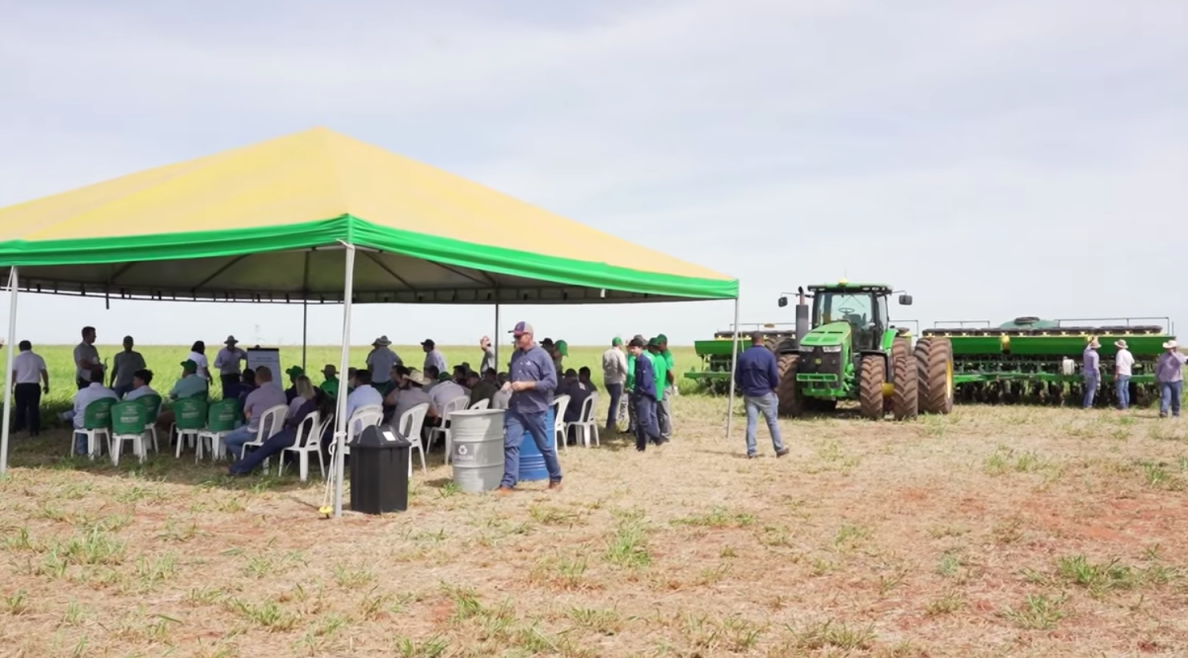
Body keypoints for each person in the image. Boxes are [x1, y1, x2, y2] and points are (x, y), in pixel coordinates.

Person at [496, 321, 563, 494]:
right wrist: (508, 383)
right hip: (516, 408)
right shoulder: (515, 355)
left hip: (535, 408)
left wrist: (527, 385)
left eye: (519, 336)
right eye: (515, 336)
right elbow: (512, 377)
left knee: (544, 446)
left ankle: (556, 479)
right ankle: (507, 483)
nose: (516, 338)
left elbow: (551, 382)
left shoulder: (542, 356)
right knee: (510, 445)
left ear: (529, 336)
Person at [229, 380, 326, 476]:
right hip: (310, 438)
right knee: (271, 446)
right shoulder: (320, 407)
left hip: (295, 435)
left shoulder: (306, 404)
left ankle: (237, 468)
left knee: (266, 448)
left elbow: (295, 421)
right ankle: (288, 463)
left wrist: (288, 420)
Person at [735, 331, 789, 458]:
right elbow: (774, 376)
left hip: (750, 395)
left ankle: (751, 451)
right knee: (772, 422)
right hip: (766, 394)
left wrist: (744, 387)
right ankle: (779, 449)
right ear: (762, 340)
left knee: (751, 423)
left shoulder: (743, 356)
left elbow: (737, 377)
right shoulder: (769, 356)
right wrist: (774, 387)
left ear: (751, 341)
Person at [223, 366, 288, 458]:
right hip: (275, 432)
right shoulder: (282, 394)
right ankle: (256, 454)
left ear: (257, 379)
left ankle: (251, 458)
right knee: (240, 428)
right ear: (271, 377)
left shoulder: (254, 395)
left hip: (255, 433)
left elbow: (246, 413)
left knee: (228, 439)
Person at [628, 337, 664, 451]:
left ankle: (657, 438)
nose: (632, 350)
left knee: (644, 420)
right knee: (639, 421)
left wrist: (639, 392)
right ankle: (641, 445)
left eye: (634, 348)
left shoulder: (643, 361)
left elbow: (646, 380)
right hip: (642, 393)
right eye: (631, 348)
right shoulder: (638, 360)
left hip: (645, 394)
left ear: (640, 348)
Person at [71, 366, 117, 455]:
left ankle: (82, 449)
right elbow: (117, 406)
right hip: (103, 421)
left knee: (78, 417)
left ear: (90, 378)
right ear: (102, 379)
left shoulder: (82, 392)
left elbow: (76, 409)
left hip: (84, 422)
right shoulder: (110, 393)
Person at [11, 340, 49, 437]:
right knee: (34, 408)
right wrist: (46, 385)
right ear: (30, 347)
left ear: (20, 348)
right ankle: (34, 429)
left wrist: (11, 385)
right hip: (34, 386)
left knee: (20, 407)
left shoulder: (17, 359)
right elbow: (44, 372)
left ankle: (19, 428)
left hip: (21, 386)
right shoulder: (38, 358)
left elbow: (13, 373)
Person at [601, 337, 627, 433]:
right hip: (617, 380)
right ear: (619, 345)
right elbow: (623, 367)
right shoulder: (619, 353)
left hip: (607, 380)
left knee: (613, 401)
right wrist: (628, 377)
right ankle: (610, 424)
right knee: (614, 403)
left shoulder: (606, 353)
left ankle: (611, 422)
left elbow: (603, 366)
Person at [647, 337, 671, 439]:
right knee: (661, 413)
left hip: (656, 389)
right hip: (661, 388)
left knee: (661, 413)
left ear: (651, 347)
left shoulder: (653, 359)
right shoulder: (661, 358)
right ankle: (662, 433)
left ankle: (665, 434)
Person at [1155, 340, 1186, 418]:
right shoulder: (1163, 356)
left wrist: (1173, 354)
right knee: (1165, 396)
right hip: (1165, 380)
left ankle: (1175, 412)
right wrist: (1157, 376)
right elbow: (1159, 367)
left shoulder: (1180, 355)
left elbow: (1181, 362)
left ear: (1175, 348)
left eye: (1170, 348)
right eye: (1167, 348)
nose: (1168, 349)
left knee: (1176, 398)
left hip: (1177, 380)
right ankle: (1163, 411)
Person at [656, 334, 676, 440]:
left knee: (664, 412)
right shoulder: (661, 355)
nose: (657, 345)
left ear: (664, 344)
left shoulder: (666, 356)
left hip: (665, 386)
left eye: (659, 343)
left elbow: (670, 373)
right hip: (661, 386)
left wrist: (672, 384)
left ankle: (666, 434)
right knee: (660, 411)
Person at [74, 326, 102, 390]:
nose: (95, 336)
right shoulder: (80, 348)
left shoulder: (93, 348)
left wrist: (101, 366)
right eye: (93, 335)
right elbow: (83, 364)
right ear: (86, 336)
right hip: (84, 380)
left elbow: (96, 361)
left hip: (94, 380)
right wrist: (97, 367)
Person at [1114, 339, 1135, 410]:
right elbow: (1133, 362)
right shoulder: (1128, 353)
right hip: (1128, 373)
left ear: (1118, 346)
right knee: (1125, 389)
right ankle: (1126, 404)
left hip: (1122, 373)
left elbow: (1118, 364)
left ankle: (1122, 404)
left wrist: (1116, 374)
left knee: (1120, 389)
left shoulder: (1120, 353)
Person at [1082, 337, 1101, 409]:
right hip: (1092, 374)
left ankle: (1085, 404)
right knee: (1091, 390)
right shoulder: (1095, 355)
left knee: (1088, 390)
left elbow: (1088, 347)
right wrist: (1098, 376)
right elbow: (1095, 367)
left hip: (1086, 373)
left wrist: (1092, 340)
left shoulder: (1086, 352)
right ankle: (1088, 405)